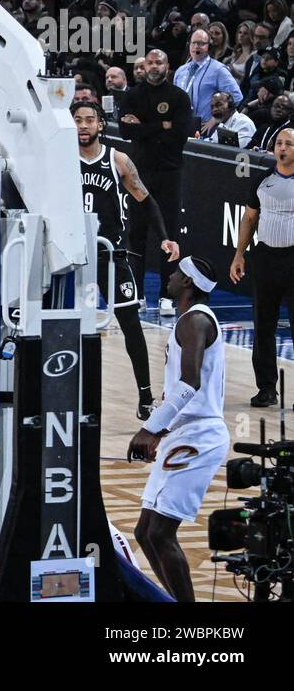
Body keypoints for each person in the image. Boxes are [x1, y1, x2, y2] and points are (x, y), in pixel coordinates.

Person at [127, 257, 229, 602]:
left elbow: (190, 384)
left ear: (188, 283)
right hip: (185, 431)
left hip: (200, 434)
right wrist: (165, 429)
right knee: (145, 531)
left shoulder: (195, 320)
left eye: (176, 273)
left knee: (160, 532)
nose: (169, 277)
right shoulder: (189, 320)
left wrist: (152, 428)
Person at [73, 103, 181, 419]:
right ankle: (65, 391)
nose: (83, 125)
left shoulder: (117, 160)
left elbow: (147, 201)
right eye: (77, 120)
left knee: (131, 324)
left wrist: (164, 235)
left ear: (101, 125)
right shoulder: (61, 159)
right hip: (74, 257)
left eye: (89, 120)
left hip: (111, 255)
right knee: (68, 327)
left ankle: (145, 395)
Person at [118, 49, 193, 315]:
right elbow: (126, 130)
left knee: (168, 234)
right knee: (136, 234)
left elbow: (181, 134)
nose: (153, 66)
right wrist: (162, 126)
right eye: (149, 62)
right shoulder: (133, 95)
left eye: (159, 61)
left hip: (169, 173)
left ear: (167, 65)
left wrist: (145, 128)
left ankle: (166, 295)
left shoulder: (179, 97)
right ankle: (137, 294)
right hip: (137, 173)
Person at [228, 127, 294, 407]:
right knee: (263, 326)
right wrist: (239, 254)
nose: (282, 148)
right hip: (266, 257)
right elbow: (249, 219)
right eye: (279, 143)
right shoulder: (262, 179)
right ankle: (266, 388)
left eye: (289, 144)